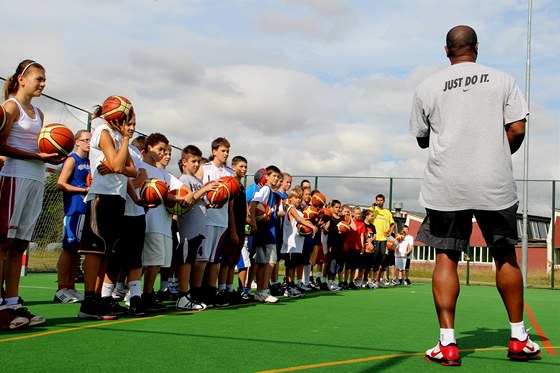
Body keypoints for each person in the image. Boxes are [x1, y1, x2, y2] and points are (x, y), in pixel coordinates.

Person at [410, 25, 540, 366]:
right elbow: (517, 128)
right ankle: (518, 337)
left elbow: (422, 138)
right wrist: (495, 154)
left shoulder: (426, 86)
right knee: (505, 254)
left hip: (446, 184)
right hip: (493, 181)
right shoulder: (503, 79)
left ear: (446, 50)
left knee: (445, 258)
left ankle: (448, 344)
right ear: (476, 48)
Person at [0, 60, 63, 329]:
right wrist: (37, 156)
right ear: (21, 79)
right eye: (38, 78)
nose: (43, 83)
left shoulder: (39, 113)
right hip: (14, 177)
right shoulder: (10, 107)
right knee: (3, 242)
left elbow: (40, 148)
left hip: (36, 178)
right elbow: (1, 145)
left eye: (44, 78)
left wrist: (51, 159)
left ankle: (12, 302)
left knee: (20, 245)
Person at [78, 99, 137, 320]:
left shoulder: (119, 138)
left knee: (107, 251)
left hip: (117, 198)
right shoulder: (102, 131)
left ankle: (100, 300)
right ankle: (88, 301)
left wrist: (118, 161)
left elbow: (133, 170)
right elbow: (121, 166)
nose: (129, 124)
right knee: (95, 250)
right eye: (128, 118)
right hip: (101, 196)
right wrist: (118, 162)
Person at [176, 145, 217, 311]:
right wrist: (205, 189)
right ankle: (182, 296)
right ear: (184, 162)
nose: (196, 165)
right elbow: (186, 199)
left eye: (198, 161)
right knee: (185, 261)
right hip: (188, 228)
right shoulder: (183, 179)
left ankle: (189, 295)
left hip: (199, 227)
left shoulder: (198, 181)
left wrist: (210, 202)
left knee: (191, 261)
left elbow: (199, 201)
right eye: (193, 161)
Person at [54, 129, 91, 303]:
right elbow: (61, 183)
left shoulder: (90, 161)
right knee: (68, 249)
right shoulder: (72, 159)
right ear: (77, 141)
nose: (88, 143)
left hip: (86, 209)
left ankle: (71, 286)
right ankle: (60, 289)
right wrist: (83, 189)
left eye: (90, 140)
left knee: (78, 250)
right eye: (85, 140)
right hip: (74, 208)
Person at [199, 137, 234, 307]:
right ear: (214, 151)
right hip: (206, 218)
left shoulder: (230, 173)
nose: (226, 154)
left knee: (216, 259)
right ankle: (197, 292)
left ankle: (211, 292)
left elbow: (231, 203)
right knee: (203, 258)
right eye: (223, 151)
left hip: (222, 220)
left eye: (227, 151)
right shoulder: (204, 168)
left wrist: (233, 227)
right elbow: (198, 191)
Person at [216, 155, 248, 306]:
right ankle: (221, 289)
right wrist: (233, 230)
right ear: (233, 167)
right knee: (226, 261)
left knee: (233, 261)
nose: (244, 169)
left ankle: (229, 289)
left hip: (241, 227)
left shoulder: (241, 186)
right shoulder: (230, 184)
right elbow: (230, 209)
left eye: (245, 167)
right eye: (241, 166)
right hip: (232, 227)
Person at [248, 165, 282, 303]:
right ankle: (262, 290)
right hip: (266, 231)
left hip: (269, 231)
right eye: (274, 176)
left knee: (264, 262)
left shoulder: (270, 192)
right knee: (269, 262)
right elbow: (253, 203)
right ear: (266, 176)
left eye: (278, 176)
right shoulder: (266, 189)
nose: (276, 178)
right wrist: (254, 222)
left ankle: (261, 291)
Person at [281, 186, 318, 298]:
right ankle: (289, 287)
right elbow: (300, 220)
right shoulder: (291, 208)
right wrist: (312, 226)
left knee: (294, 265)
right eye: (295, 197)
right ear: (290, 198)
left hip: (298, 242)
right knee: (290, 266)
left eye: (299, 198)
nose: (298, 200)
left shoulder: (298, 210)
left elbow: (302, 222)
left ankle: (292, 286)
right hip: (291, 243)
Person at [370, 194, 395, 288]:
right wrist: (372, 208)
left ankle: (378, 280)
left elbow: (393, 224)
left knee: (382, 260)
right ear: (376, 201)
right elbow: (366, 217)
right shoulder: (372, 209)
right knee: (373, 260)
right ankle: (369, 280)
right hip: (374, 238)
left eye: (381, 200)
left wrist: (389, 233)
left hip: (384, 240)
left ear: (384, 201)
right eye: (378, 200)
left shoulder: (387, 212)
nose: (379, 202)